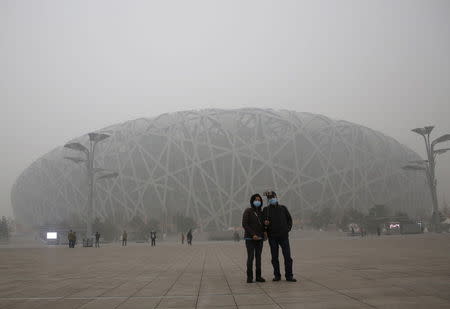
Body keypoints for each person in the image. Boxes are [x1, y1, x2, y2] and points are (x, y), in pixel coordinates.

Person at [263, 191, 296, 282]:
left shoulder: (283, 208)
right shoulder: (266, 210)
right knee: (274, 257)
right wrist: (265, 224)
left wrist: (287, 229)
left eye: (273, 197)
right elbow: (263, 223)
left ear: (276, 197)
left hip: (284, 236)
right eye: (270, 198)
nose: (272, 199)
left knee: (287, 257)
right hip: (272, 237)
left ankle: (289, 276)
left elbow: (289, 219)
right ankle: (277, 275)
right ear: (268, 200)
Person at [242, 193, 266, 283]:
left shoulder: (261, 212)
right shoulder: (248, 211)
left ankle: (258, 276)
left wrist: (264, 231)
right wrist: (253, 235)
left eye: (259, 200)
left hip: (259, 239)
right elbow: (245, 224)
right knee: (251, 257)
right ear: (252, 201)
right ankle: (249, 277)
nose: (257, 201)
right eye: (256, 200)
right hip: (250, 239)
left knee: (258, 257)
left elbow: (263, 225)